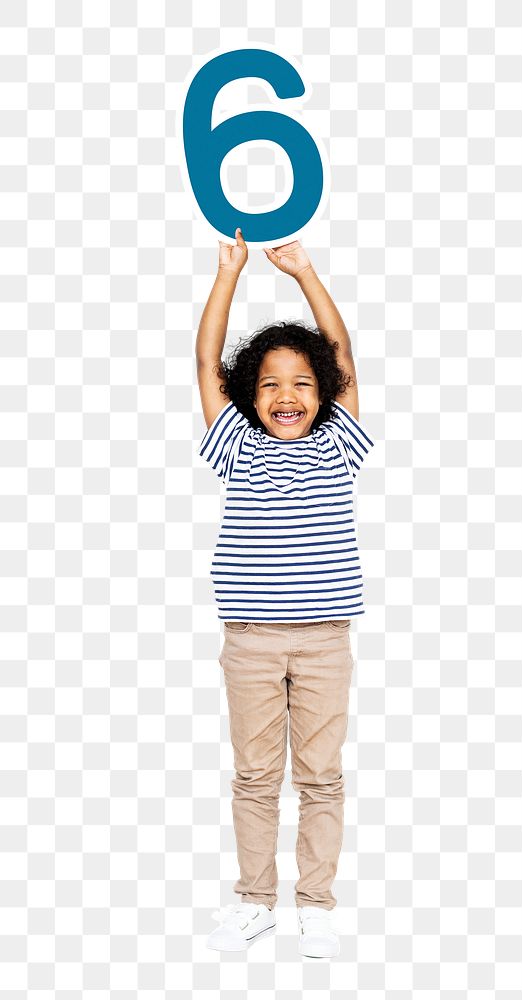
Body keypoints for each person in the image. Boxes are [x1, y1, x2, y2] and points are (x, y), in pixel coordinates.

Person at [196, 228, 375, 958]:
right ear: (250, 395)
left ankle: (317, 904)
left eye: (302, 382)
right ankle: (255, 901)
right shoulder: (235, 445)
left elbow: (346, 358)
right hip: (250, 640)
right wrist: (229, 274)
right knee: (255, 776)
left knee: (322, 775)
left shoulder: (340, 442)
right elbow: (205, 361)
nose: (286, 395)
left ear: (323, 394)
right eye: (269, 383)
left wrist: (305, 272)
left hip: (327, 638)